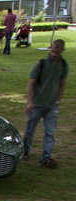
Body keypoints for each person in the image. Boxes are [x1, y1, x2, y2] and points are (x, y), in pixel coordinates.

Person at [23, 40, 67, 168]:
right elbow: (31, 83)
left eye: (57, 52)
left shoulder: (63, 65)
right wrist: (30, 102)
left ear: (62, 51)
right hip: (37, 104)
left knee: (50, 132)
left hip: (51, 106)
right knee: (30, 130)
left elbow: (62, 84)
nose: (54, 54)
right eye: (52, 51)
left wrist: (57, 100)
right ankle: (25, 151)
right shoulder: (41, 64)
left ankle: (46, 158)